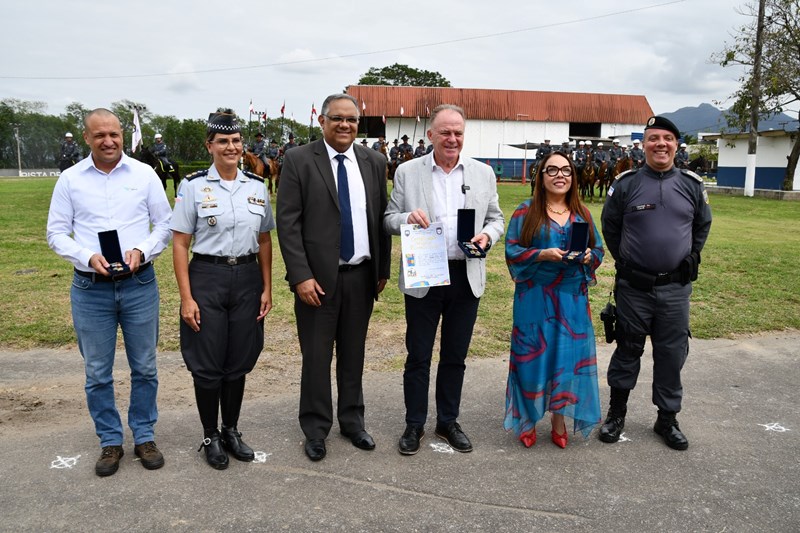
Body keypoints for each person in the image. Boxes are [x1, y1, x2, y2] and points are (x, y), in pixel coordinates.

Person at [46, 108, 171, 477]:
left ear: (122, 135)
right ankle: (110, 441)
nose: (108, 141)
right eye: (99, 135)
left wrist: (142, 251)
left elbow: (165, 224)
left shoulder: (145, 174)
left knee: (145, 367)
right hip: (90, 289)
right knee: (98, 372)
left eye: (114, 134)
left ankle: (144, 435)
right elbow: (55, 232)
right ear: (86, 138)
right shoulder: (70, 179)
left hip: (139, 284)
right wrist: (87, 256)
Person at [384, 104, 505, 455]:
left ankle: (448, 421)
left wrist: (487, 237)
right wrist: (407, 217)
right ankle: (414, 424)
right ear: (431, 135)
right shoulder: (407, 172)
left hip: (465, 276)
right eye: (446, 132)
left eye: (458, 133)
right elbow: (388, 219)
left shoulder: (483, 173)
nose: (452, 139)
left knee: (455, 356)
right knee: (418, 355)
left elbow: (496, 219)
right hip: (425, 274)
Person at [276, 94, 391, 462]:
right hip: (316, 282)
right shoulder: (297, 160)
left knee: (353, 354)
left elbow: (381, 219)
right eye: (337, 118)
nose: (345, 125)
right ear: (322, 121)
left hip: (361, 275)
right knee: (316, 356)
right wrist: (300, 277)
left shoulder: (374, 161)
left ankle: (352, 422)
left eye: (352, 120)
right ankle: (315, 427)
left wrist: (382, 269)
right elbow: (288, 224)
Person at [600, 115, 712, 451]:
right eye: (653, 138)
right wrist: (628, 260)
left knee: (671, 353)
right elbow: (610, 226)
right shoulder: (626, 183)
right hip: (634, 288)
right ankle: (616, 414)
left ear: (676, 145)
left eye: (667, 138)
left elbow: (702, 225)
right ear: (644, 145)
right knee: (628, 349)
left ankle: (667, 419)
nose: (660, 144)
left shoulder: (692, 185)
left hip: (675, 290)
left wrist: (691, 256)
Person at [170, 110, 275, 470]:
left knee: (238, 361)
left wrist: (267, 287)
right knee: (208, 361)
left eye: (235, 141)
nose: (230, 147)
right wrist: (187, 297)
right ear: (210, 145)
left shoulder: (256, 187)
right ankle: (209, 434)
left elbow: (264, 241)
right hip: (208, 277)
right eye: (223, 141)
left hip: (246, 278)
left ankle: (231, 429)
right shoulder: (193, 186)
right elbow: (181, 244)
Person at [504, 151, 604, 449]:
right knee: (532, 358)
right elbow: (511, 250)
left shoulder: (582, 213)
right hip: (535, 296)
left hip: (572, 298)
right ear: (541, 176)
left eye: (566, 170)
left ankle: (559, 420)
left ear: (573, 177)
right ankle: (528, 418)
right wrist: (540, 254)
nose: (560, 175)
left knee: (566, 360)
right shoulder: (526, 212)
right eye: (552, 170)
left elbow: (598, 250)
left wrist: (589, 256)